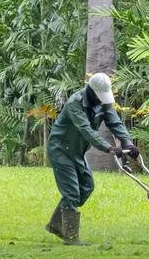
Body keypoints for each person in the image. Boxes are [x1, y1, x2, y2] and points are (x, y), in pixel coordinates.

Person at [45, 73, 140, 246]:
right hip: (60, 149)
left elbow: (115, 123)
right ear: (92, 92)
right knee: (72, 191)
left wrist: (128, 143)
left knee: (87, 186)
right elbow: (85, 129)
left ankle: (56, 224)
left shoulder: (103, 104)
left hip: (77, 151)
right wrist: (108, 148)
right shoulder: (76, 103)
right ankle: (71, 237)